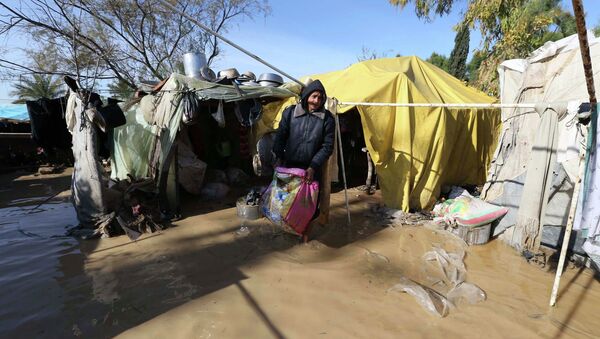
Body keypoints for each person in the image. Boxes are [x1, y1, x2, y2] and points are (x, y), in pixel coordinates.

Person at [273, 80, 335, 242]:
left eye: (320, 98)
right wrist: (279, 158)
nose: (316, 101)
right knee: (285, 201)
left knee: (310, 207)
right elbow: (280, 136)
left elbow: (327, 147)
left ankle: (305, 239)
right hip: (289, 167)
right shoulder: (290, 113)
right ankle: (288, 233)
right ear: (307, 96)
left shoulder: (327, 119)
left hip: (311, 170)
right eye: (314, 96)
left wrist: (313, 166)